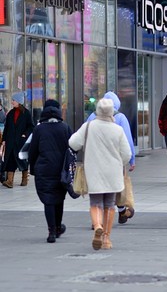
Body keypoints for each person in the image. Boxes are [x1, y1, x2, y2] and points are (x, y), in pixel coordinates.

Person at [69, 98, 131, 250]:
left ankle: (97, 226)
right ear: (112, 112)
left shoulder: (89, 126)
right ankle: (106, 239)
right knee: (109, 204)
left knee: (95, 202)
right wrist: (119, 163)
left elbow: (73, 143)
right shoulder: (118, 129)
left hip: (94, 171)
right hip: (112, 173)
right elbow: (127, 154)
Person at [86, 91, 136, 224]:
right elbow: (127, 140)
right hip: (114, 160)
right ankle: (121, 212)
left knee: (98, 189)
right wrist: (131, 159)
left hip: (95, 159)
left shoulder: (92, 116)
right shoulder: (120, 117)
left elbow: (83, 137)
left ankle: (97, 221)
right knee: (116, 188)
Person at [28, 100, 72, 243]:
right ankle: (58, 227)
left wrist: (32, 168)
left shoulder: (39, 129)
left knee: (48, 201)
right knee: (59, 199)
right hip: (61, 170)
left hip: (44, 170)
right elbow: (72, 148)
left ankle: (51, 231)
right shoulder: (65, 127)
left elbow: (33, 151)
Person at [1, 92, 34, 188]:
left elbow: (31, 126)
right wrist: (4, 140)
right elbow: (7, 127)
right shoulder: (10, 113)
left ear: (19, 101)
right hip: (11, 141)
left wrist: (25, 134)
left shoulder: (26, 113)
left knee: (22, 160)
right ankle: (10, 181)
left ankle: (24, 178)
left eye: (13, 100)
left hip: (20, 142)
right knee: (10, 160)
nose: (12, 102)